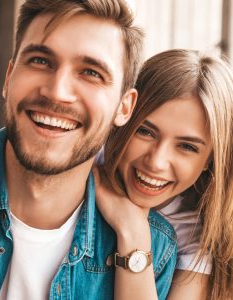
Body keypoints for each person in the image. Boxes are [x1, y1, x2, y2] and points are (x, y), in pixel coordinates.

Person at [0, 1, 177, 299]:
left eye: (91, 72)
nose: (57, 91)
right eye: (40, 61)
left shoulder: (148, 249)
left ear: (124, 107)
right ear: (9, 78)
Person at [94, 49, 233, 300]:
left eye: (187, 147)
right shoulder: (84, 161)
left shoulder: (194, 237)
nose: (156, 162)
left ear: (210, 160)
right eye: (145, 131)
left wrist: (133, 230)